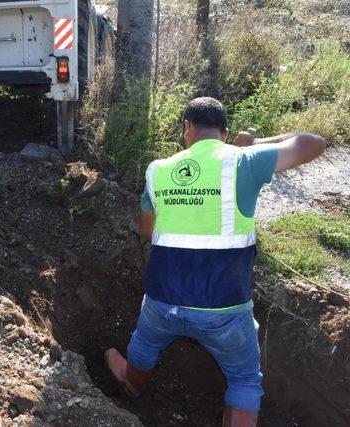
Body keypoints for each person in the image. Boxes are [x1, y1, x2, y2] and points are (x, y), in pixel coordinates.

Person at [104, 97, 326, 426]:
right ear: (224, 133)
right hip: (223, 310)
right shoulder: (243, 161)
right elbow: (314, 143)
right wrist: (254, 143)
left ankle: (131, 384)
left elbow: (147, 231)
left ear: (187, 128)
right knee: (245, 380)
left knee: (145, 341)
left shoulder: (158, 170)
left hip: (162, 301)